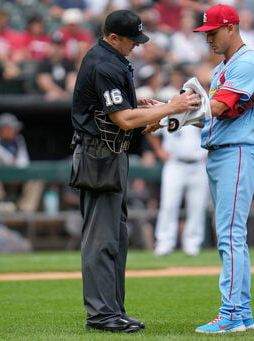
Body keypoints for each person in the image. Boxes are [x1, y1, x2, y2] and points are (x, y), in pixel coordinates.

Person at [70, 9, 200, 333]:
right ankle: (100, 315)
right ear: (113, 37)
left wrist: (150, 110)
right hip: (97, 155)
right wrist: (172, 106)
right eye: (132, 40)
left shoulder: (113, 60)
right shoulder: (103, 62)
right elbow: (124, 120)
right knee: (101, 238)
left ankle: (113, 310)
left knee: (116, 237)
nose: (137, 46)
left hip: (111, 153)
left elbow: (125, 113)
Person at [192, 4, 254, 334]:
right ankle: (244, 313)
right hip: (223, 151)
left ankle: (232, 314)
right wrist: (169, 114)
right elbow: (215, 112)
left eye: (213, 32)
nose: (208, 38)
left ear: (231, 29)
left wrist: (173, 112)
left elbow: (219, 106)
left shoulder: (247, 62)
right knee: (231, 235)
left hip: (237, 152)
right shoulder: (225, 66)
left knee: (230, 235)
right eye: (205, 33)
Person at [146, 126, 208, 256]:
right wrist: (159, 151)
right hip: (175, 163)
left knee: (197, 206)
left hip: (199, 163)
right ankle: (164, 243)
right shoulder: (170, 108)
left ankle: (193, 243)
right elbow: (151, 130)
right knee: (168, 205)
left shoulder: (203, 107)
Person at [0, 113, 44, 213]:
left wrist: (15, 164)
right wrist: (10, 160)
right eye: (12, 128)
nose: (15, 131)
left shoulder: (18, 139)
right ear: (3, 129)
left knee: (37, 175)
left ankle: (26, 210)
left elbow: (24, 162)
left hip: (12, 175)